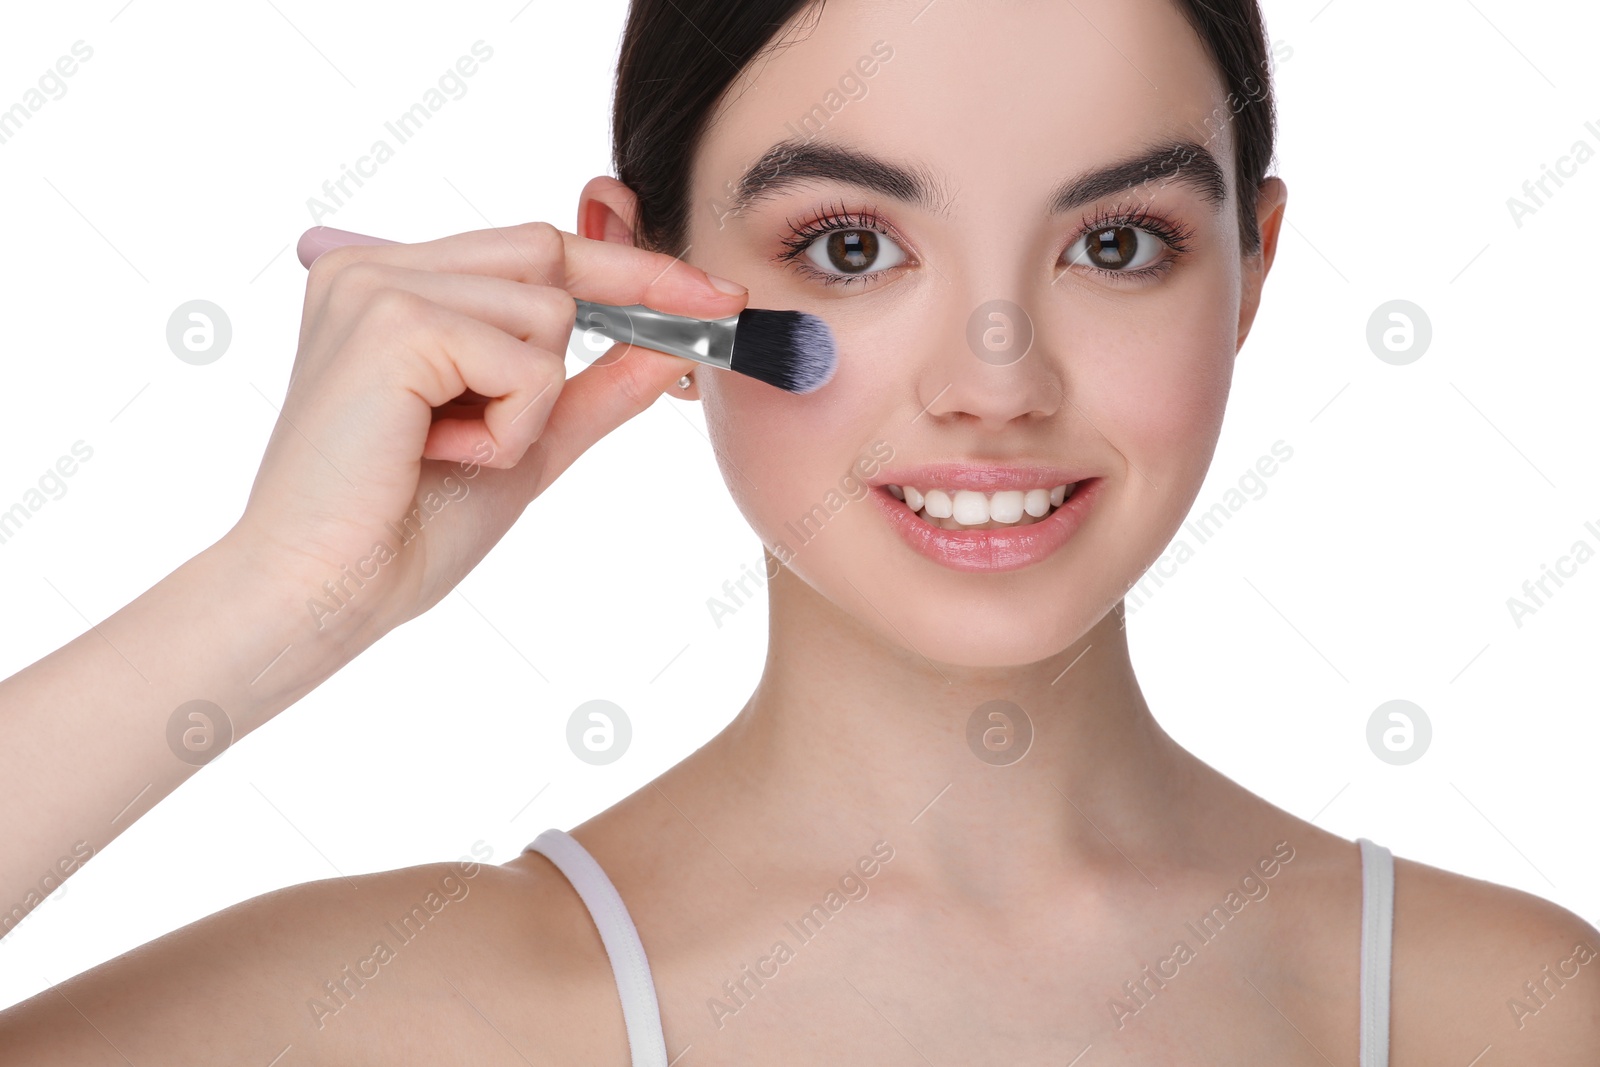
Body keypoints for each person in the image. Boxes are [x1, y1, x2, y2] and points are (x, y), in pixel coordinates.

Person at [2, 0, 1596, 1061]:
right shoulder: (424, 1013)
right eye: (849, 243)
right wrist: (273, 599)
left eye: (1116, 243)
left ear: (1252, 268)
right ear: (642, 276)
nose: (999, 380)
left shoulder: (1509, 1012)